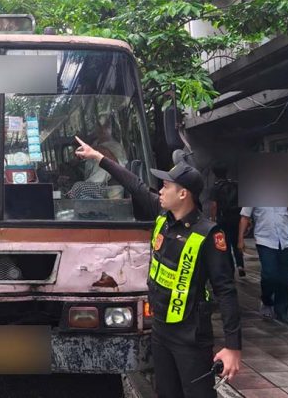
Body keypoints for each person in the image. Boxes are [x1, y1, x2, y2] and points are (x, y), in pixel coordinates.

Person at [75, 136, 241, 398]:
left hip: (190, 336)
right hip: (161, 330)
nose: (160, 191)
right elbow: (134, 184)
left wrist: (233, 347)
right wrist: (98, 157)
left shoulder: (208, 235)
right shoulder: (163, 217)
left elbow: (226, 291)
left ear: (183, 194)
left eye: (166, 186)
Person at [238, 207, 288, 323]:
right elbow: (245, 217)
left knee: (283, 278)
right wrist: (240, 239)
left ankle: (282, 310)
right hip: (264, 241)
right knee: (269, 274)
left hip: (285, 240)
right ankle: (266, 300)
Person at [209, 166, 244, 277]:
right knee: (237, 242)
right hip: (236, 218)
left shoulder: (215, 187)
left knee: (226, 245)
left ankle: (230, 269)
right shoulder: (234, 184)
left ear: (215, 174)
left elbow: (214, 205)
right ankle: (240, 265)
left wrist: (213, 219)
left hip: (223, 220)